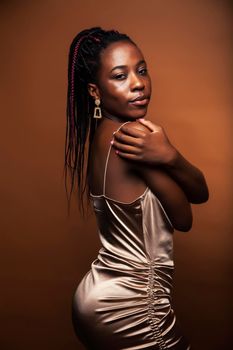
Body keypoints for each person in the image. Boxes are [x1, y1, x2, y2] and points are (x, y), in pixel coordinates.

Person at [65, 27, 209, 350]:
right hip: (131, 306)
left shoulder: (103, 133)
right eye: (120, 76)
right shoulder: (130, 140)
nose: (138, 83)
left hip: (97, 294)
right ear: (95, 91)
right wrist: (167, 154)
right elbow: (185, 215)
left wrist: (169, 155)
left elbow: (200, 192)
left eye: (141, 70)